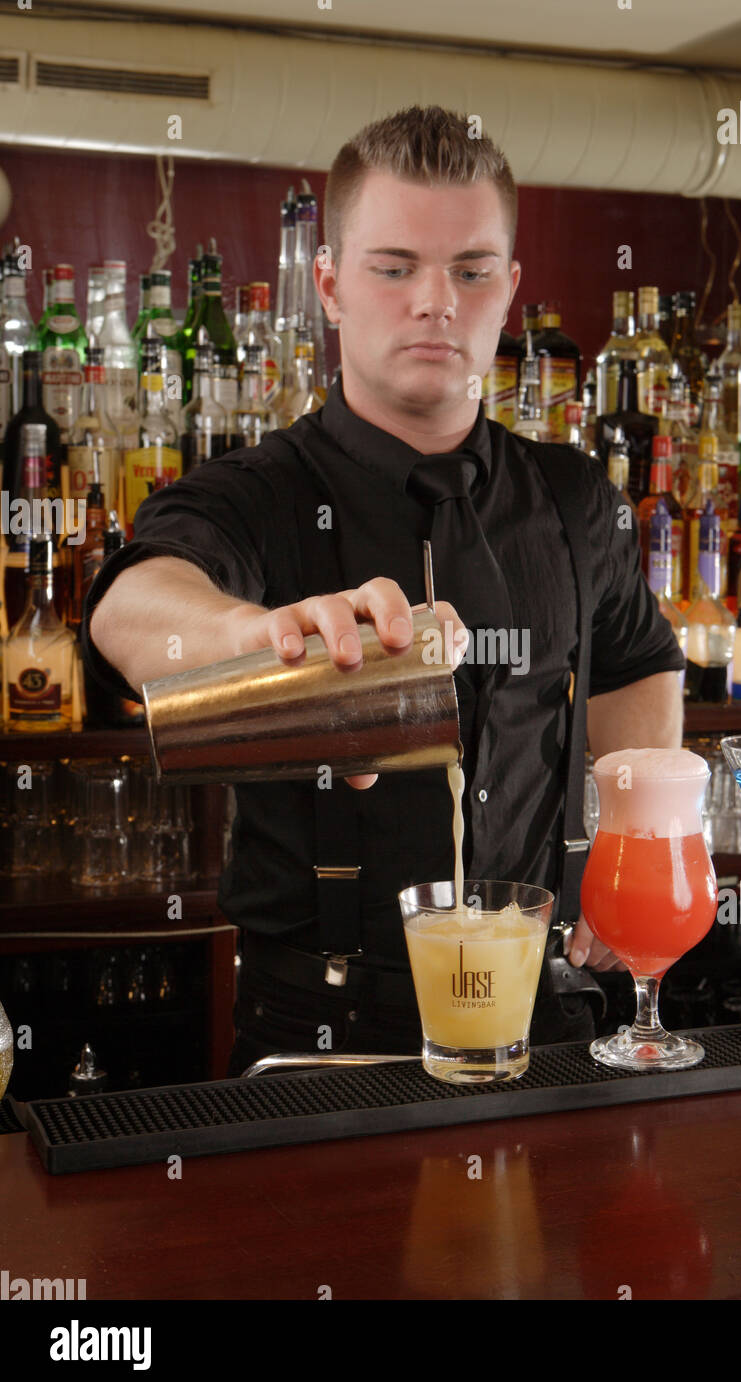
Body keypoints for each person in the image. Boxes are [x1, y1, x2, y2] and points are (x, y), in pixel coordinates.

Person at [83, 105, 684, 1076]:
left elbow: (636, 659)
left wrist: (632, 837)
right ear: (328, 285)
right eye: (394, 266)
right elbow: (131, 608)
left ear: (510, 290)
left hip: (554, 1025)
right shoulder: (253, 493)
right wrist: (262, 632)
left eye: (471, 269)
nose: (435, 302)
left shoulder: (574, 499)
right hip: (320, 1044)